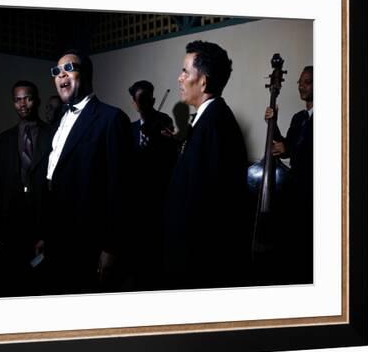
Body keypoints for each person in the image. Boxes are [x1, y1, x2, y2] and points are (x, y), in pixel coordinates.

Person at [163, 40, 251, 289]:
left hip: (198, 263)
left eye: (185, 72)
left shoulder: (215, 124)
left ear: (203, 81)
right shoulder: (208, 120)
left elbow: (209, 203)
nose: (180, 78)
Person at [44, 49, 132, 294]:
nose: (61, 75)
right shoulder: (59, 120)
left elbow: (120, 189)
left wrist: (111, 248)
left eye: (69, 68)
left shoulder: (111, 119)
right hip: (56, 236)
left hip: (88, 241)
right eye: (56, 71)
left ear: (87, 75)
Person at [0, 80, 52, 296]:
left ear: (36, 100)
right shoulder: (1, 142)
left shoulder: (54, 136)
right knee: (14, 284)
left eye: (27, 98)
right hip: (12, 224)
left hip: (44, 221)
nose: (22, 104)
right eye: (17, 100)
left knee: (44, 285)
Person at [264, 66, 313, 283]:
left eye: (308, 82)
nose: (301, 86)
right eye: (300, 82)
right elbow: (284, 148)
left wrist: (289, 149)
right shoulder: (298, 117)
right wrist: (272, 123)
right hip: (296, 188)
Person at [128, 80, 178, 290]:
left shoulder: (163, 121)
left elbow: (171, 154)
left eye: (148, 100)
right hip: (136, 198)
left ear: (154, 100)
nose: (144, 104)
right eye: (140, 100)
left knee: (158, 248)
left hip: (160, 195)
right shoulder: (129, 129)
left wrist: (166, 138)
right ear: (134, 103)